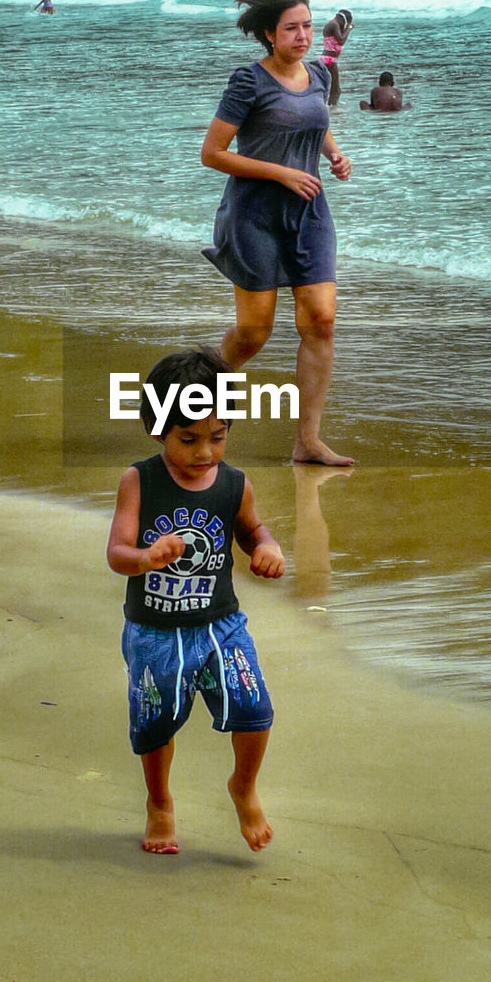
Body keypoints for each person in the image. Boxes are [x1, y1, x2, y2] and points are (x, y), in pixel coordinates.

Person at [107, 348, 284, 855]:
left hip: (220, 626)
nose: (205, 451)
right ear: (158, 428)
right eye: (188, 439)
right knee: (155, 721)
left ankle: (243, 786)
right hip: (154, 632)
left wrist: (266, 547)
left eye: (218, 437)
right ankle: (159, 801)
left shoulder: (234, 484)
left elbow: (251, 529)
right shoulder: (139, 481)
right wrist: (145, 557)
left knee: (255, 709)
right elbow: (117, 552)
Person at [200, 0, 354, 467]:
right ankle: (191, 401)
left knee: (321, 322)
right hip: (254, 215)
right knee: (254, 333)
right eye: (292, 29)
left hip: (308, 213)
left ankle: (308, 442)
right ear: (270, 33)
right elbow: (213, 154)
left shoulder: (321, 76)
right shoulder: (249, 81)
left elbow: (316, 121)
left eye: (308, 26)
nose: (303, 36)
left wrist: (333, 154)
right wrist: (283, 173)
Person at [320, 8, 353, 108]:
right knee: (335, 89)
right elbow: (341, 40)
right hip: (329, 59)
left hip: (328, 59)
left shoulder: (333, 24)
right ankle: (332, 110)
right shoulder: (334, 24)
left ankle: (330, 107)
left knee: (333, 87)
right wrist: (349, 28)